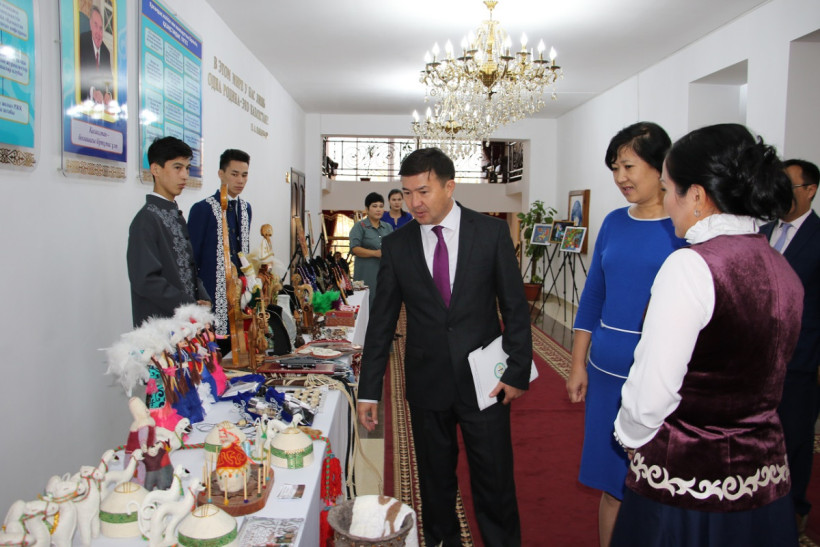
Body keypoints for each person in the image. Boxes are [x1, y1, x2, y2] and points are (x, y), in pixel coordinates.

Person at [611, 124, 803, 546]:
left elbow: (651, 392)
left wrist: (631, 437)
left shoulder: (691, 267)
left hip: (689, 481)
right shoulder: (781, 266)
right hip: (763, 477)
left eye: (668, 190)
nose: (667, 202)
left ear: (696, 196)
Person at [357, 148, 532, 546]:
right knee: (434, 483)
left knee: (495, 481)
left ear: (449, 186)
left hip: (486, 384)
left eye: (423, 191)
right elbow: (381, 323)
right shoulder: (398, 245)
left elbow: (515, 307)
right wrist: (369, 391)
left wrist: (518, 370)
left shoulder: (490, 233)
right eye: (407, 193)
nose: (414, 202)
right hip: (427, 382)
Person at [565, 121, 685, 547]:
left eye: (629, 166)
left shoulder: (682, 228)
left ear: (660, 166)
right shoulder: (614, 222)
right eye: (615, 168)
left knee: (660, 484)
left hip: (663, 376)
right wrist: (577, 364)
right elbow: (593, 296)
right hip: (606, 372)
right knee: (612, 481)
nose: (620, 177)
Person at [760, 158, 820, 535]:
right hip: (756, 358)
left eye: (788, 185)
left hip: (801, 359)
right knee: (759, 435)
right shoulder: (761, 232)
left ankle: (794, 510)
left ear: (810, 190)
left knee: (794, 437)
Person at [127, 137, 209, 327]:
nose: (185, 175)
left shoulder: (174, 213)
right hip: (161, 328)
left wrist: (203, 298)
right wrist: (189, 304)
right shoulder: (146, 219)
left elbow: (189, 268)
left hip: (186, 324)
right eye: (177, 167)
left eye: (187, 168)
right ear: (156, 169)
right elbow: (146, 281)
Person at [188, 149, 252, 347]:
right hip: (212, 295)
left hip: (239, 295)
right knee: (215, 349)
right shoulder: (203, 209)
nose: (240, 180)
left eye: (244, 175)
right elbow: (191, 259)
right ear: (221, 174)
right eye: (234, 174)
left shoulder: (246, 209)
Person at [348, 192, 392, 308]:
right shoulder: (359, 226)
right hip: (366, 275)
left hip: (385, 275)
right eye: (374, 206)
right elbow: (354, 249)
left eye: (381, 206)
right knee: (366, 307)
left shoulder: (388, 227)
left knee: (384, 307)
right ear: (367, 209)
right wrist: (375, 253)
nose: (378, 209)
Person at [78, 6, 113, 104]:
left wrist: (109, 94)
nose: (98, 32)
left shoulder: (106, 52)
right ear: (90, 25)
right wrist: (92, 92)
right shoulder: (81, 42)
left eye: (101, 28)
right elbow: (77, 76)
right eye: (95, 26)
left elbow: (111, 83)